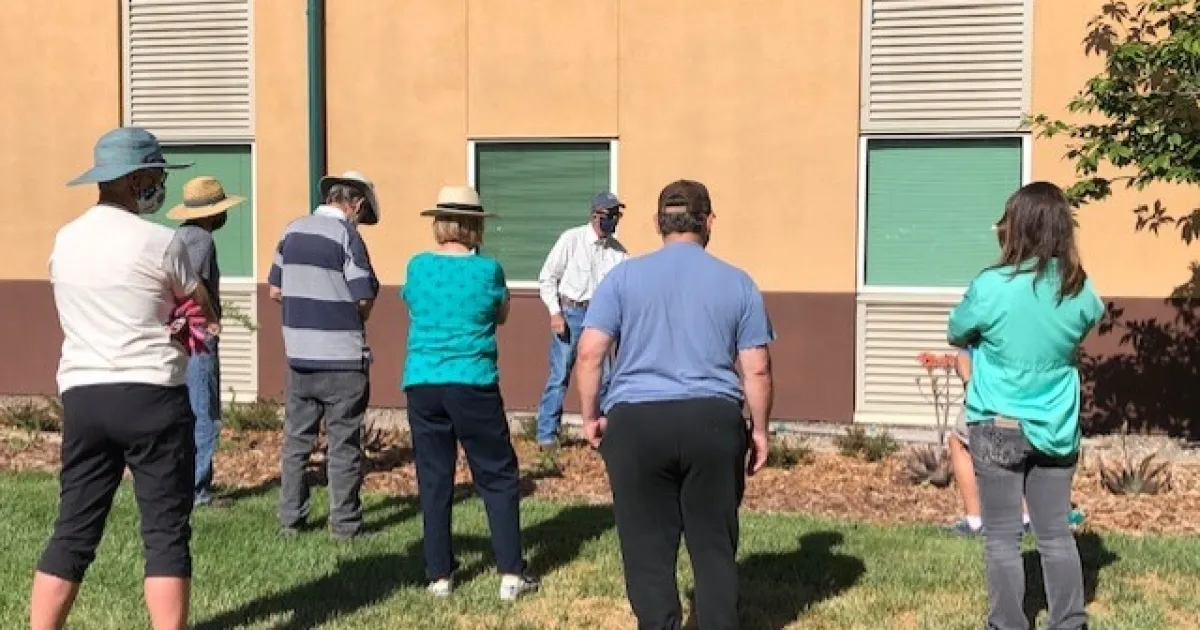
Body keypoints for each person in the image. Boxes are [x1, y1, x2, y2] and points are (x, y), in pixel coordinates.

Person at [33, 126, 216, 630]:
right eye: (155, 175)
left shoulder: (65, 240)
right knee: (165, 532)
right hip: (151, 394)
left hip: (84, 395)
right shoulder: (161, 241)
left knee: (73, 529)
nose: (159, 185)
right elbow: (201, 306)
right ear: (136, 179)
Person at [576, 180, 775, 629]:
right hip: (713, 421)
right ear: (709, 222)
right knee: (714, 544)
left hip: (636, 422)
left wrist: (590, 416)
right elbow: (758, 370)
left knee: (646, 547)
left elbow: (589, 355)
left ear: (657, 223)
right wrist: (760, 430)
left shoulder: (622, 278)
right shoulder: (738, 282)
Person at [948, 181, 1104, 630]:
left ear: (1017, 227)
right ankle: (1069, 621)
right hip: (1056, 423)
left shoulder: (992, 284)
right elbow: (1088, 322)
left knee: (1002, 537)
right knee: (1055, 533)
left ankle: (1008, 624)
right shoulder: (1079, 288)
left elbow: (957, 330)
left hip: (997, 421)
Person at [401, 185, 540, 601]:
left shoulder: (417, 267)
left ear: (439, 224)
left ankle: (439, 576)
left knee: (434, 477)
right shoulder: (488, 270)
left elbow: (413, 305)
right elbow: (501, 313)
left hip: (423, 381)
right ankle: (511, 572)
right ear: (475, 226)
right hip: (472, 380)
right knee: (496, 475)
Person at [267, 170, 380, 540]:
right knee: (343, 445)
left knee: (296, 443)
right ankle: (345, 526)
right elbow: (363, 296)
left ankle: (290, 520)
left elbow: (275, 291)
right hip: (342, 358)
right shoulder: (347, 235)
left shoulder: (291, 230)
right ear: (356, 205)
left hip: (299, 355)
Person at [166, 176, 246, 508]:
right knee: (204, 411)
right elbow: (194, 284)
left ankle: (182, 483)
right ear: (213, 212)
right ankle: (197, 489)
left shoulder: (178, 236)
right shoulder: (201, 239)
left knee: (186, 410)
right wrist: (212, 320)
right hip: (198, 336)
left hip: (179, 336)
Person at [534, 191, 629, 449]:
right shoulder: (571, 240)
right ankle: (546, 434)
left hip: (601, 317)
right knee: (560, 374)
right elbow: (547, 277)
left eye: (617, 215)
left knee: (605, 377)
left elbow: (625, 290)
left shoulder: (619, 253)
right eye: (609, 215)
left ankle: (603, 432)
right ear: (595, 215)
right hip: (571, 312)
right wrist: (555, 312)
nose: (613, 220)